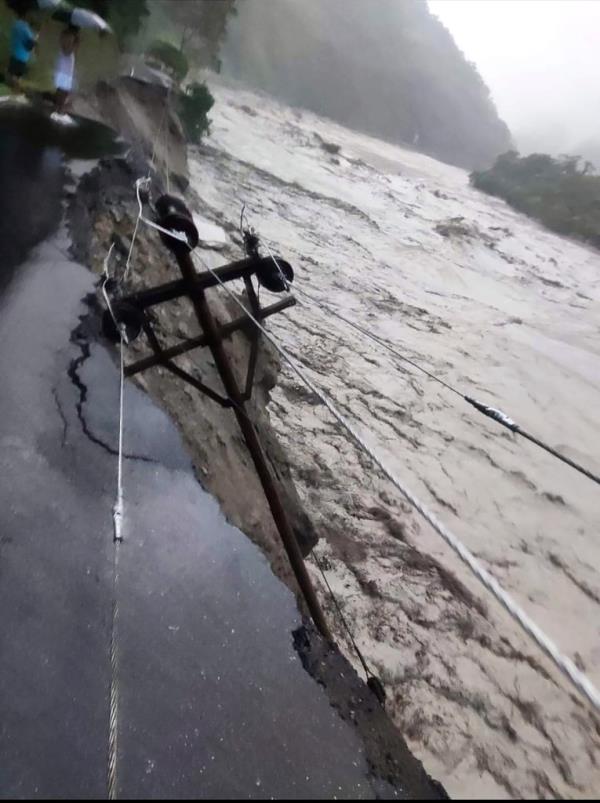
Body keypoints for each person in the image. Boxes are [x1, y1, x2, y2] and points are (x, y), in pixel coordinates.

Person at [6, 10, 38, 89]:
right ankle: (16, 91)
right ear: (26, 15)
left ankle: (14, 91)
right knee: (16, 78)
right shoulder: (25, 28)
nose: (32, 17)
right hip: (22, 57)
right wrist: (35, 40)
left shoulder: (15, 24)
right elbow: (30, 45)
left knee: (11, 75)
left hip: (14, 53)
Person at [53, 25, 79, 113]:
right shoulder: (71, 37)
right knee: (63, 92)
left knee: (60, 90)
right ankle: (59, 109)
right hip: (66, 67)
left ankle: (57, 108)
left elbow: (62, 46)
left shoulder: (63, 34)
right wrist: (76, 44)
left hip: (61, 64)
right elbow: (68, 51)